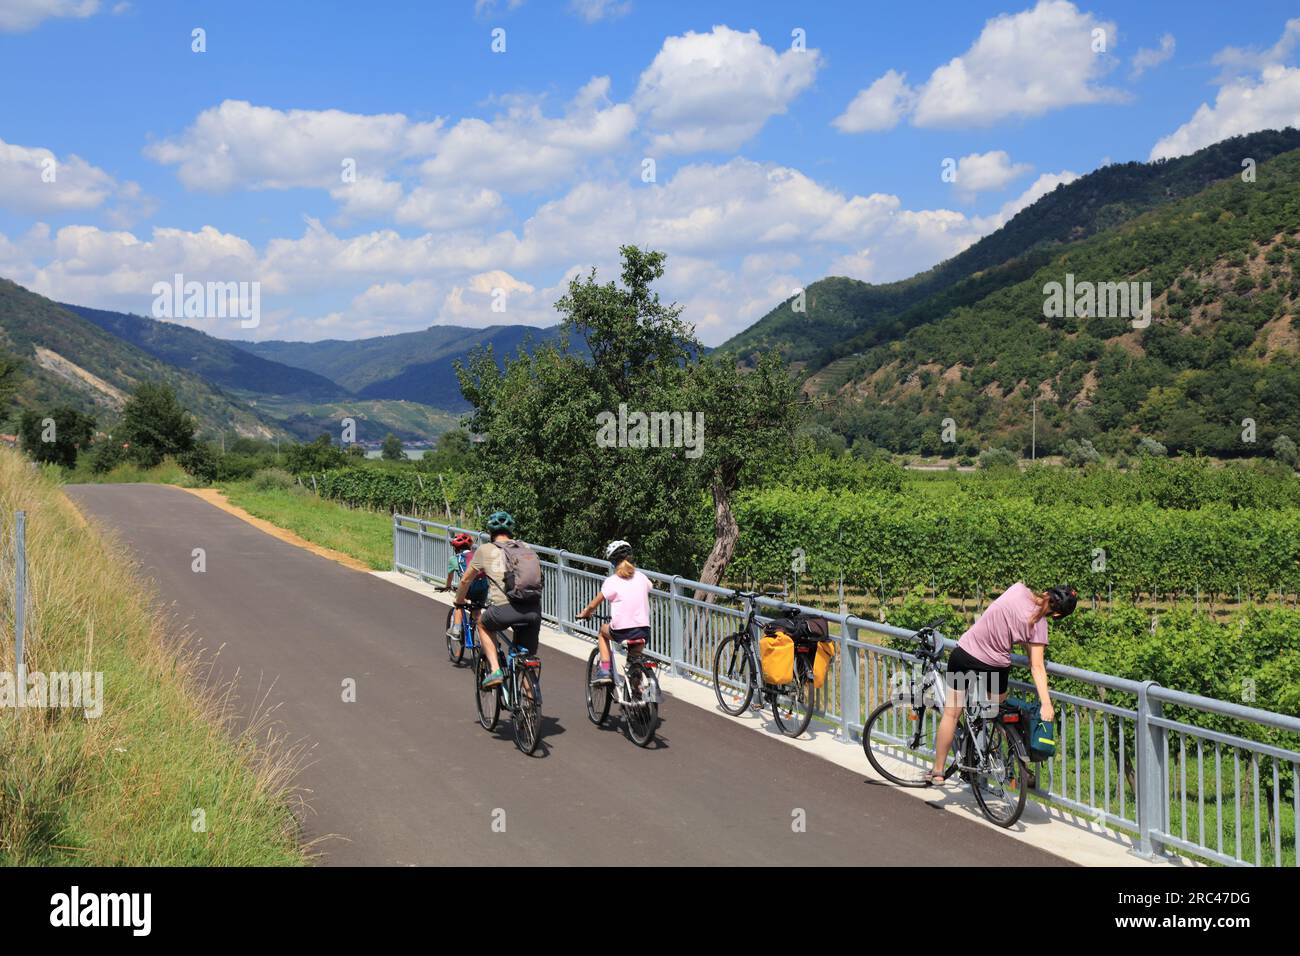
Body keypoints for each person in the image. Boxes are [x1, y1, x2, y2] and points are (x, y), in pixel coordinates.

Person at [927, 582, 1078, 786]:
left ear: (1046, 592)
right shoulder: (1040, 625)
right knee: (999, 716)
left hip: (964, 655)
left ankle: (938, 772)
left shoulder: (1018, 589)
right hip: (994, 668)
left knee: (951, 714)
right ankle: (1013, 767)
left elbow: (1008, 617)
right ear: (1058, 615)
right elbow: (1037, 666)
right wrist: (1046, 703)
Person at [454, 511, 543, 689]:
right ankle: (531, 707)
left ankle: (495, 670)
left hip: (504, 610)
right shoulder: (525, 547)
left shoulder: (485, 550)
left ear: (491, 532)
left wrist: (459, 600)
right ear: (511, 531)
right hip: (533, 610)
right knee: (526, 658)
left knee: (482, 624)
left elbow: (465, 580)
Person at [576, 540, 652, 685]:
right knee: (634, 659)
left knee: (602, 632)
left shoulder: (612, 581)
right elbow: (650, 587)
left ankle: (604, 670)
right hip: (643, 630)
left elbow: (593, 604)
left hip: (622, 631)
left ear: (612, 562)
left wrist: (585, 612)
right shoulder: (641, 577)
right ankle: (638, 697)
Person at [444, 532, 487, 644]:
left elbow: (450, 577)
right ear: (470, 546)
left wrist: (447, 586)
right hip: (483, 586)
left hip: (469, 586)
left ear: (455, 548)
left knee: (459, 603)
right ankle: (481, 637)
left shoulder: (454, 559)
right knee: (477, 610)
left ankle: (457, 629)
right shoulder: (477, 555)